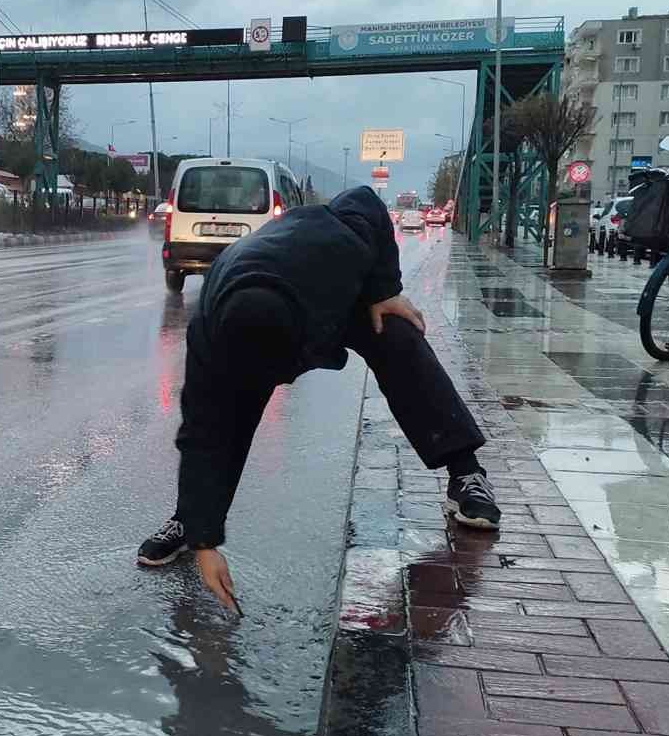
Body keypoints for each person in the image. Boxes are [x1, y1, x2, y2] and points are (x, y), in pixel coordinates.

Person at [137, 186, 499, 612]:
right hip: (249, 305)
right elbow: (201, 432)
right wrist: (204, 542)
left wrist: (385, 289)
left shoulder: (335, 248)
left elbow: (364, 200)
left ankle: (466, 473)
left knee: (397, 335)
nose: (281, 384)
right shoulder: (208, 333)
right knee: (223, 417)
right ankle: (190, 519)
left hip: (328, 291)